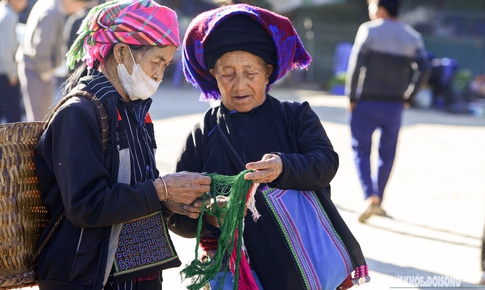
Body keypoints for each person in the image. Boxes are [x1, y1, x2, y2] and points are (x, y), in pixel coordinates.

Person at [166, 4, 368, 290]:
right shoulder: (202, 134)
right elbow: (176, 213)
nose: (239, 84)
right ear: (213, 74)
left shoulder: (296, 117)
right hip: (237, 275)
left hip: (302, 267)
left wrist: (283, 167)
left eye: (250, 72)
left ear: (268, 72)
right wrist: (211, 218)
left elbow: (325, 164)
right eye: (227, 73)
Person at [33, 0, 211, 289]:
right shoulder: (78, 113)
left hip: (136, 275)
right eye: (155, 61)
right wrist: (161, 189)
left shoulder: (139, 113)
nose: (159, 74)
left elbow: (137, 194)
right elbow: (86, 206)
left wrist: (169, 202)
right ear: (120, 52)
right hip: (84, 277)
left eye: (166, 65)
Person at [345, 0, 430, 222]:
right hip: (394, 104)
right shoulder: (412, 36)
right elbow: (424, 69)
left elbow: (356, 64)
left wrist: (351, 96)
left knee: (361, 149)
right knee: (387, 152)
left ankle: (369, 196)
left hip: (365, 102)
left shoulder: (368, 30)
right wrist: (408, 96)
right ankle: (378, 199)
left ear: (381, 9)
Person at [16, 0, 89, 121]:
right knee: (40, 121)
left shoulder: (49, 5)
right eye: (79, 7)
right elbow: (41, 47)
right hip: (37, 70)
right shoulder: (52, 13)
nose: (78, 11)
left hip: (34, 67)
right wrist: (46, 72)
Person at [0, 0, 27, 123]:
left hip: (3, 71)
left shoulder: (5, 12)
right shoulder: (8, 16)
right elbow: (5, 50)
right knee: (14, 119)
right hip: (6, 73)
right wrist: (12, 73)